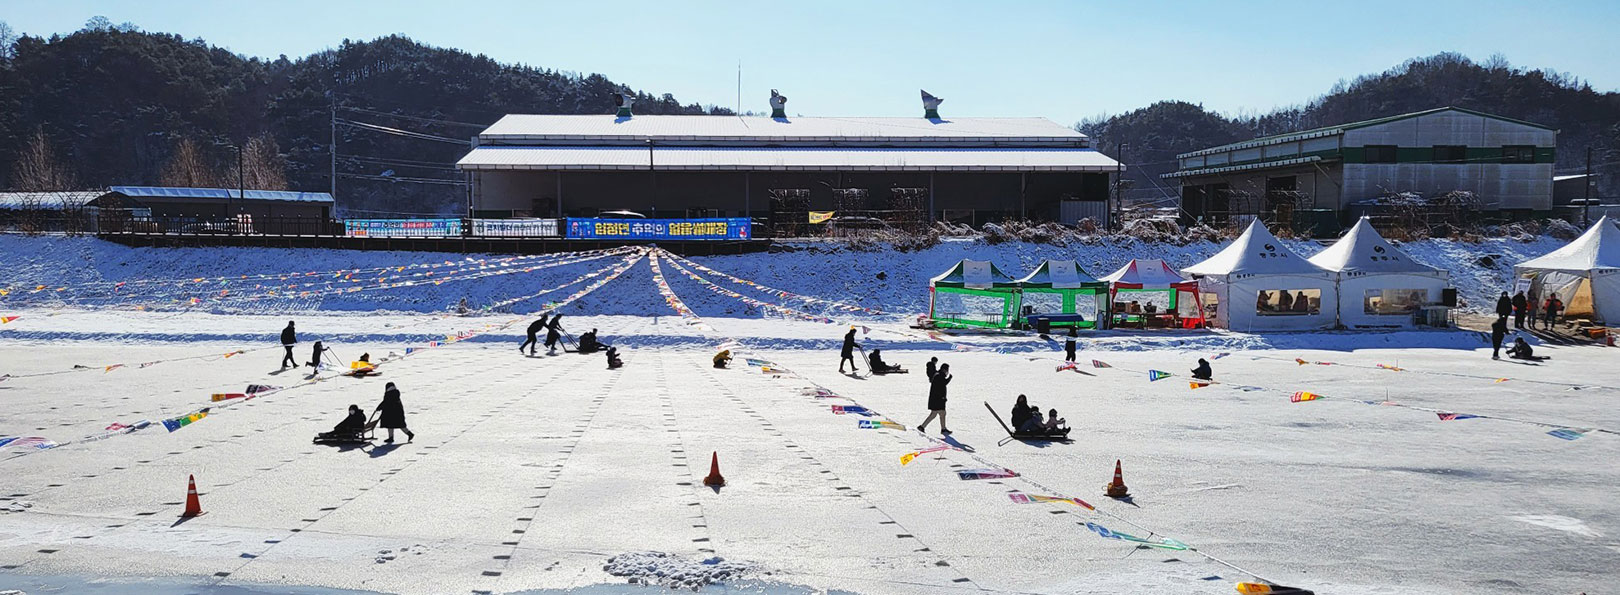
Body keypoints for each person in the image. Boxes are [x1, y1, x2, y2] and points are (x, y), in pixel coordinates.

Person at [918, 363, 951, 435]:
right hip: (937, 399)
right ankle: (923, 427)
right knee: (937, 413)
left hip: (937, 399)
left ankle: (943, 428)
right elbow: (942, 385)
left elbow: (943, 384)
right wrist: (949, 379)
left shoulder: (939, 375)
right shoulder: (939, 376)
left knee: (939, 413)